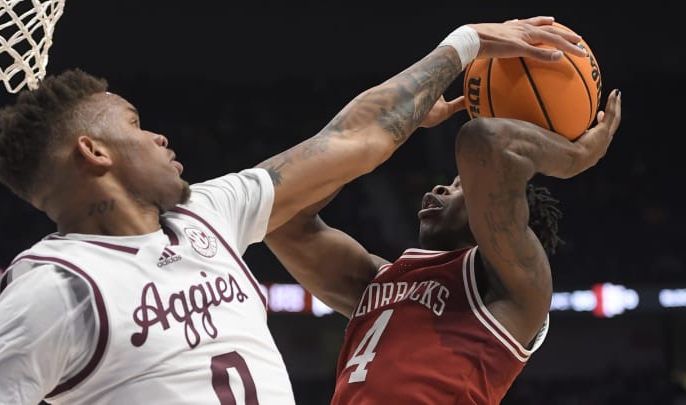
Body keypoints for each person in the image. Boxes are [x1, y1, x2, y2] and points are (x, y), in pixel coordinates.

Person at [0, 16, 588, 405]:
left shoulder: (208, 212)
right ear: (94, 151)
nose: (159, 137)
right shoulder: (53, 292)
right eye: (136, 123)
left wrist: (457, 53)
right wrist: (470, 44)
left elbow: (348, 143)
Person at [264, 81, 622, 404]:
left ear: (501, 208)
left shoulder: (514, 286)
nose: (439, 189)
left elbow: (486, 141)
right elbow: (280, 214)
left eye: (459, 185)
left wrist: (576, 157)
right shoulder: (376, 279)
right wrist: (387, 133)